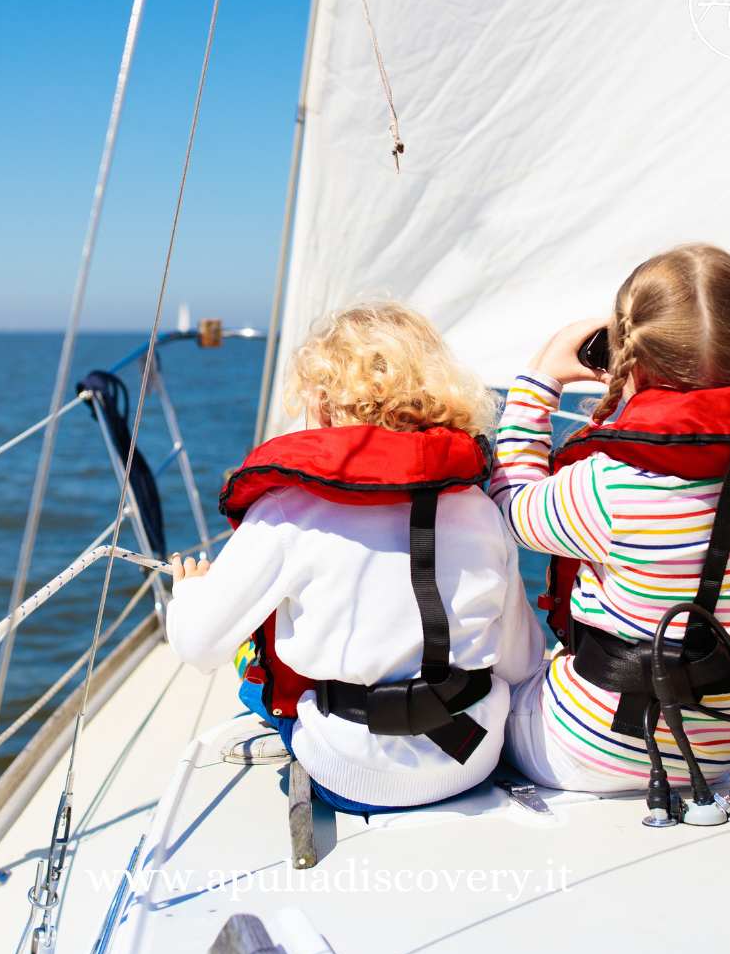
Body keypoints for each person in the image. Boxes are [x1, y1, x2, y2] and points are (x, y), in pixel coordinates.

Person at [167, 301, 544, 814]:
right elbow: (520, 662)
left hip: (354, 774)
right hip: (472, 758)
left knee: (251, 674)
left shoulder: (288, 511)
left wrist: (190, 590)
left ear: (323, 403)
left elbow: (196, 644)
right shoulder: (479, 508)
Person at [491, 244, 730, 792]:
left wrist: (539, 378)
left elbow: (510, 504)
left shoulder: (606, 485)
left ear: (628, 357)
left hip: (590, 748)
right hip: (728, 747)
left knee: (494, 687)